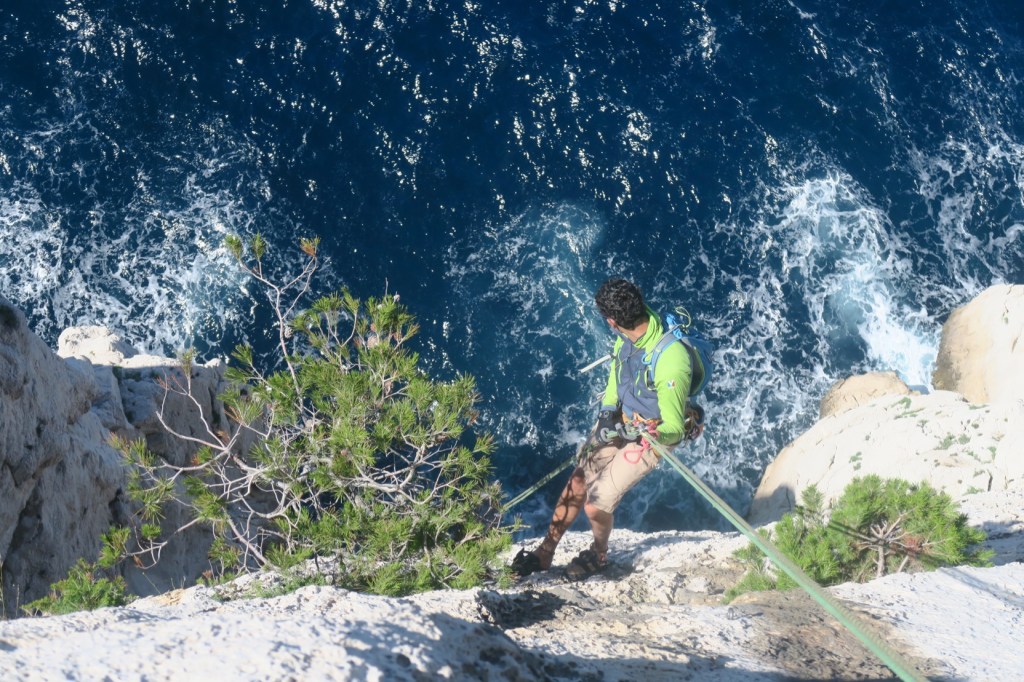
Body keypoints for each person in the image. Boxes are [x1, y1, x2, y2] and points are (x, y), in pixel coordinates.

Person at [511, 278, 701, 581]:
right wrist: (607, 413)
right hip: (621, 420)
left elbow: (675, 429)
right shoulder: (627, 336)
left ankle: (599, 555)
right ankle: (545, 551)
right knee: (578, 480)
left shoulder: (671, 359)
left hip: (653, 434)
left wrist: (648, 432)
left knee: (596, 505)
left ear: (611, 321)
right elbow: (617, 376)